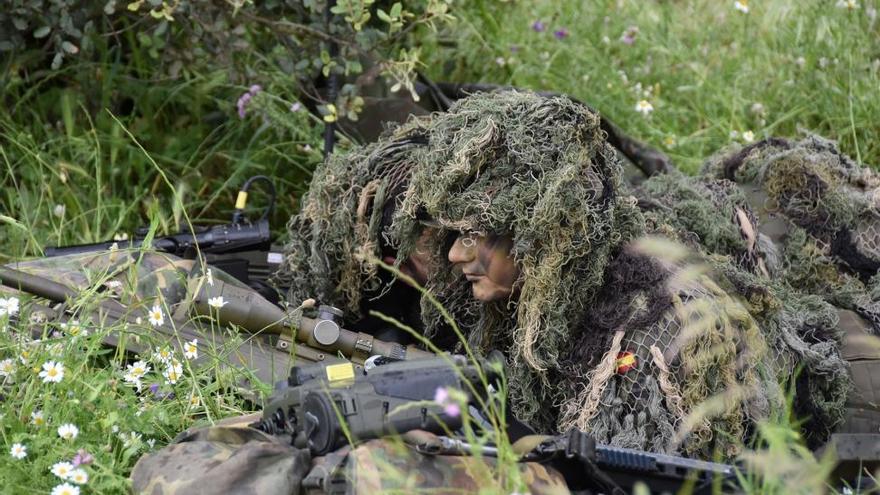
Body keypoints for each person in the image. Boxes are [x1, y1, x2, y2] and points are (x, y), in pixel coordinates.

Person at [388, 90, 849, 458]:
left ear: (542, 235)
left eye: (472, 235)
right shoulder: (533, 306)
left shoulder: (653, 338)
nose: (451, 256)